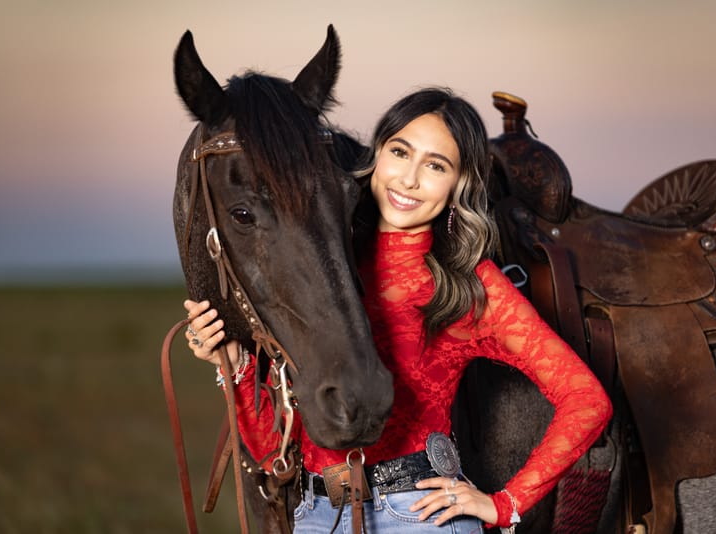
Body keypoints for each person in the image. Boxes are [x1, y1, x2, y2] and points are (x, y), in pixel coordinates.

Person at [184, 87, 612, 532]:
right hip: (316, 515)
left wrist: (505, 504)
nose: (409, 179)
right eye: (400, 152)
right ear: (378, 155)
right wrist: (234, 366)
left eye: (435, 165)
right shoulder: (323, 275)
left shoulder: (470, 284)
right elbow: (274, 455)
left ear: (457, 185)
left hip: (419, 516)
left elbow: (587, 400)